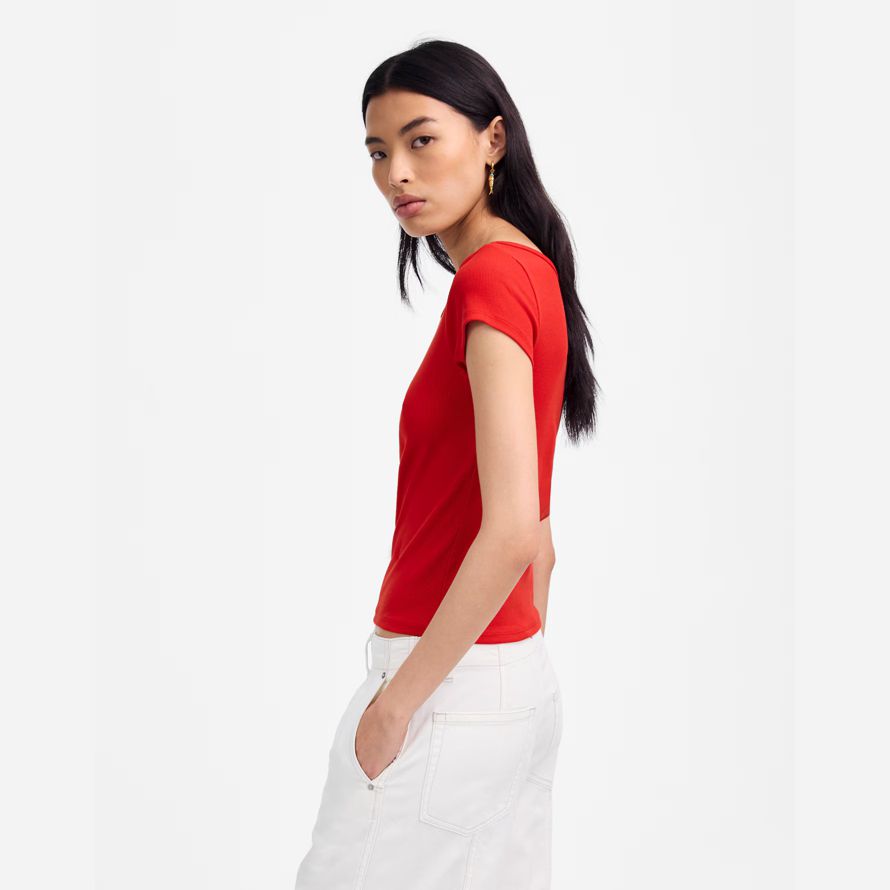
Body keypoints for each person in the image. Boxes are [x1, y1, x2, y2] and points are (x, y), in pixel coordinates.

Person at [294, 39, 599, 890]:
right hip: (506, 681)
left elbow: (512, 533)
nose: (396, 172)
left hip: (443, 686)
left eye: (421, 139)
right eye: (377, 150)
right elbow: (541, 544)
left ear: (493, 139)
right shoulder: (531, 272)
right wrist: (507, 677)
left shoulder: (491, 282)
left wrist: (399, 703)